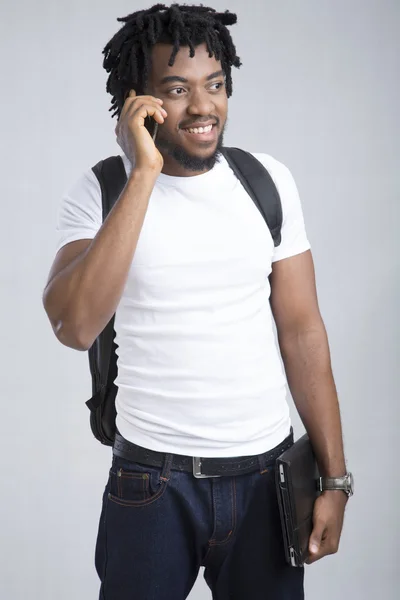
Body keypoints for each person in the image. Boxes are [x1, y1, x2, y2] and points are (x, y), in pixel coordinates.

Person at [42, 4, 351, 599]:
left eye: (214, 85)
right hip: (150, 485)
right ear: (140, 100)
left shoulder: (267, 182)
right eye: (177, 89)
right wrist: (143, 175)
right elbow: (75, 324)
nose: (204, 107)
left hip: (268, 482)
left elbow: (303, 330)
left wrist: (335, 478)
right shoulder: (101, 190)